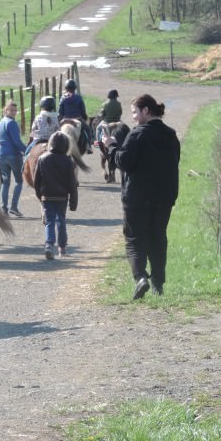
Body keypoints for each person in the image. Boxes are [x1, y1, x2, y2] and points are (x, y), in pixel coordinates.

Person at [103, 94, 180, 300]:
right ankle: (158, 284)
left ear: (146, 110)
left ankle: (140, 278)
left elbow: (123, 162)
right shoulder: (171, 135)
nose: (134, 118)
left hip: (137, 197)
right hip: (164, 197)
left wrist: (110, 146)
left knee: (134, 239)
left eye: (135, 112)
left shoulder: (138, 134)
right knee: (158, 238)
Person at [33, 131, 78, 260]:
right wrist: (73, 202)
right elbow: (72, 184)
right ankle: (62, 248)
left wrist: (39, 195)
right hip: (62, 197)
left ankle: (49, 245)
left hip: (47, 196)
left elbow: (37, 181)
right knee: (61, 221)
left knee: (49, 222)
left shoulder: (42, 159)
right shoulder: (68, 161)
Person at [0, 100, 26, 217]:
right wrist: (26, 150)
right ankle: (13, 207)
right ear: (5, 110)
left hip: (1, 155)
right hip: (13, 155)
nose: (13, 112)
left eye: (14, 110)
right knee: (19, 181)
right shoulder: (12, 123)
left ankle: (4, 208)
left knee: (5, 183)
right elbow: (16, 141)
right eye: (11, 110)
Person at [58, 78, 91, 153]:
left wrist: (60, 119)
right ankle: (89, 146)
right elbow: (83, 110)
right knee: (88, 130)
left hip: (65, 120)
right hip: (78, 119)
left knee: (56, 131)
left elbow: (60, 111)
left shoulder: (63, 98)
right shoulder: (79, 97)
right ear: (75, 88)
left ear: (66, 88)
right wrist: (85, 117)